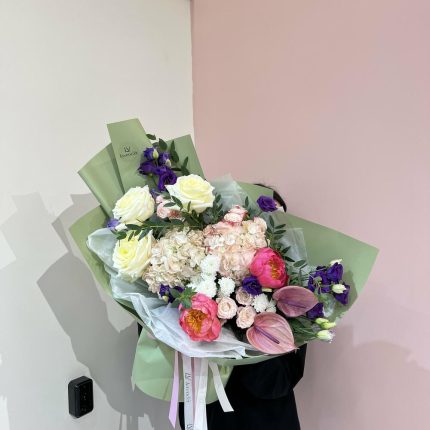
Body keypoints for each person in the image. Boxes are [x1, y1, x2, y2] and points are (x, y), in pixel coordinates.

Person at [178, 186, 307, 430]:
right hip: (210, 417)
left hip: (267, 421)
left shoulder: (291, 299)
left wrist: (250, 326)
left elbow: (277, 382)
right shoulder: (195, 288)